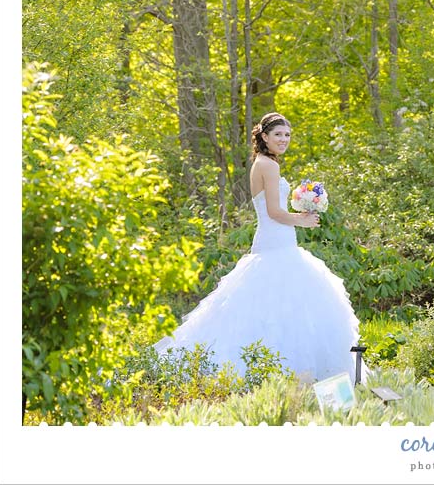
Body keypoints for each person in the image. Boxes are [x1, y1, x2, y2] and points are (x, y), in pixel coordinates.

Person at [154, 112, 366, 384]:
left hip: (274, 241)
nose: (284, 139)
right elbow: (275, 212)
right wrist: (303, 219)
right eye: (278, 134)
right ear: (264, 136)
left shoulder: (261, 163)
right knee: (286, 307)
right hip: (276, 244)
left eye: (287, 135)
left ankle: (278, 374)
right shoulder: (269, 166)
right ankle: (291, 376)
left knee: (273, 307)